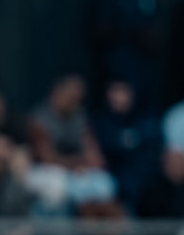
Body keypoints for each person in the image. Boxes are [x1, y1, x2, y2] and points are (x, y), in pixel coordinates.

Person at [26, 74, 119, 216]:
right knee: (57, 186)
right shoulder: (40, 118)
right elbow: (47, 159)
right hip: (46, 172)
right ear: (57, 93)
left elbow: (95, 157)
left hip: (75, 171)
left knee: (105, 184)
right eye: (71, 97)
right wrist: (79, 164)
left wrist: (82, 165)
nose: (75, 102)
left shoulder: (80, 116)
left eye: (78, 98)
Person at [90, 0, 164, 111]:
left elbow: (157, 36)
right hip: (116, 67)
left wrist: (149, 39)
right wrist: (130, 32)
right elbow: (99, 32)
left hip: (144, 69)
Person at [92, 77, 159, 212]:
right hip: (109, 185)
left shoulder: (145, 121)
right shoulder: (99, 122)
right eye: (115, 91)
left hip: (140, 189)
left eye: (124, 91)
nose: (119, 97)